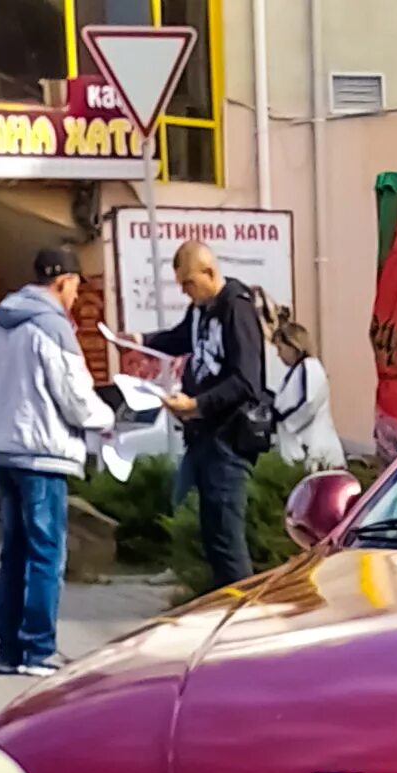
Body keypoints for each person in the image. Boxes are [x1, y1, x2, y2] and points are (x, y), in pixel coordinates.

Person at [0, 245, 113, 677]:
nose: (77, 295)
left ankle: (10, 651)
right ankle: (39, 650)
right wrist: (109, 415)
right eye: (77, 285)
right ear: (63, 282)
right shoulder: (52, 327)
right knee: (45, 555)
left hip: (4, 451)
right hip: (44, 455)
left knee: (14, 553)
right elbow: (75, 399)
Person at [128, 240, 269, 589]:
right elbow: (181, 338)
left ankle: (244, 618)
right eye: (180, 285)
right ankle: (221, 603)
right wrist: (139, 339)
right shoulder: (199, 310)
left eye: (189, 283)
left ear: (209, 272)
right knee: (208, 532)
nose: (186, 292)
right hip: (202, 434)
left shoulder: (236, 309)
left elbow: (247, 380)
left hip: (229, 436)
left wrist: (197, 404)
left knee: (226, 535)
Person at [272, 319, 342, 468]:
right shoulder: (298, 370)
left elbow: (308, 403)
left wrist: (280, 418)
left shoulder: (309, 367)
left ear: (293, 345)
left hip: (314, 452)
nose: (278, 355)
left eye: (280, 348)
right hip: (305, 451)